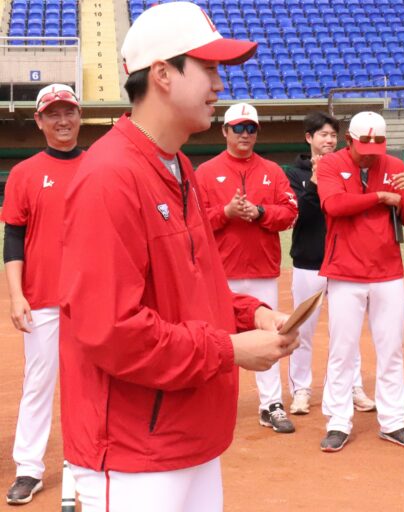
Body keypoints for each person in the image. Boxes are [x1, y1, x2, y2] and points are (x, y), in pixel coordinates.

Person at [57, 3, 298, 511]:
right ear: (163, 74)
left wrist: (250, 314)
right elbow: (112, 331)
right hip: (132, 452)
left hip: (190, 434)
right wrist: (229, 350)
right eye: (208, 68)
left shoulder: (179, 165)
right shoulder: (109, 177)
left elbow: (195, 287)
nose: (219, 84)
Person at [316, 111, 404, 452]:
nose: (370, 154)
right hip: (345, 271)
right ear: (349, 140)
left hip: (387, 270)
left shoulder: (394, 165)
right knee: (342, 350)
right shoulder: (331, 164)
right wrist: (380, 197)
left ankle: (393, 421)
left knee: (391, 349)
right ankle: (338, 421)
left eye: (377, 147)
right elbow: (333, 205)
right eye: (364, 147)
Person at [2, 84, 83, 506]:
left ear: (80, 116)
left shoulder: (99, 166)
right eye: (53, 114)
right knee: (38, 383)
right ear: (39, 121)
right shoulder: (25, 172)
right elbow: (13, 238)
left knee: (95, 383)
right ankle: (29, 468)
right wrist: (16, 296)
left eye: (69, 112)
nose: (62, 120)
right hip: (43, 298)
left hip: (92, 298)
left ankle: (89, 462)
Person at [196, 103, 299, 433]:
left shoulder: (272, 170)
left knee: (269, 335)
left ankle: (271, 403)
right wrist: (225, 213)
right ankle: (211, 402)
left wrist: (260, 212)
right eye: (238, 128)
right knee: (217, 338)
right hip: (220, 271)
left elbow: (290, 213)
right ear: (224, 131)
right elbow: (194, 222)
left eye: (250, 128)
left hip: (261, 269)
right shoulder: (206, 172)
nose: (244, 134)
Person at [283, 111, 375, 416]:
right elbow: (300, 215)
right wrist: (314, 179)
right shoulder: (293, 174)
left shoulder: (347, 169)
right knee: (303, 330)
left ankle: (353, 386)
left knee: (347, 330)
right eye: (323, 134)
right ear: (309, 138)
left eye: (333, 135)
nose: (329, 140)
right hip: (308, 260)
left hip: (343, 260)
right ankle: (301, 389)